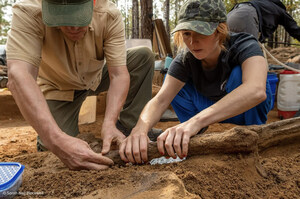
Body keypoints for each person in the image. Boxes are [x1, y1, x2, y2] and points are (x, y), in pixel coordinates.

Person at [6, 0, 159, 170]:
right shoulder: (28, 11)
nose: (73, 27)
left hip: (96, 76)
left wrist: (109, 122)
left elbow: (118, 74)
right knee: (53, 153)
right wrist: (56, 140)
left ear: (93, 3)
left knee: (143, 57)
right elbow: (19, 75)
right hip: (57, 87)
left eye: (79, 17)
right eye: (64, 18)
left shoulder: (108, 13)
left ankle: (129, 131)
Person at [119, 0, 273, 164]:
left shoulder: (244, 44)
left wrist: (195, 121)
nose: (192, 42)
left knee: (239, 74)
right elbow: (160, 100)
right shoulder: (184, 60)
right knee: (173, 84)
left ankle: (253, 138)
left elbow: (256, 90)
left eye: (201, 32)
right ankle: (192, 138)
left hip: (245, 112)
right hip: (208, 108)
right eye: (186, 33)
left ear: (219, 31)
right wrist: (140, 129)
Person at [227, 0, 300, 43]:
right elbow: (294, 29)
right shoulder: (279, 10)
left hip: (230, 15)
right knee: (251, 58)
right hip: (246, 16)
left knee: (226, 53)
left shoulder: (262, 4)